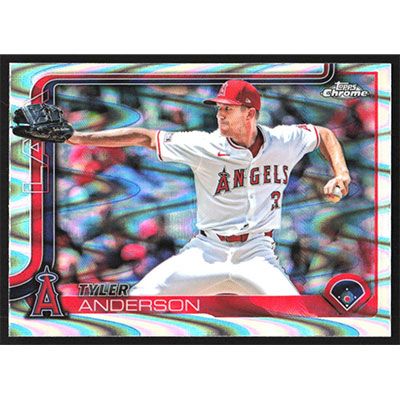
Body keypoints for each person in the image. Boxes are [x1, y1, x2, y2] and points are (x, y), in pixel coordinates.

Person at [65, 80, 351, 295]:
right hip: (208, 249)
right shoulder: (205, 144)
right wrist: (78, 138)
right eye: (218, 108)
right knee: (141, 299)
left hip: (257, 252)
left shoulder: (283, 140)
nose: (220, 114)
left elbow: (324, 135)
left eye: (228, 108)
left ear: (250, 113)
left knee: (295, 317)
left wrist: (341, 173)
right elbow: (145, 138)